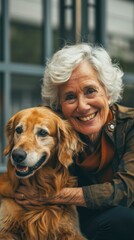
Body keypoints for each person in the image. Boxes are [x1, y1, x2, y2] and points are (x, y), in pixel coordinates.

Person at [15, 43, 134, 240]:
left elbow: (126, 189)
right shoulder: (57, 127)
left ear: (108, 92)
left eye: (90, 91)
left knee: (120, 219)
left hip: (124, 220)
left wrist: (51, 195)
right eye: (70, 97)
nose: (82, 106)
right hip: (77, 222)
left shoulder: (130, 126)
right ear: (59, 105)